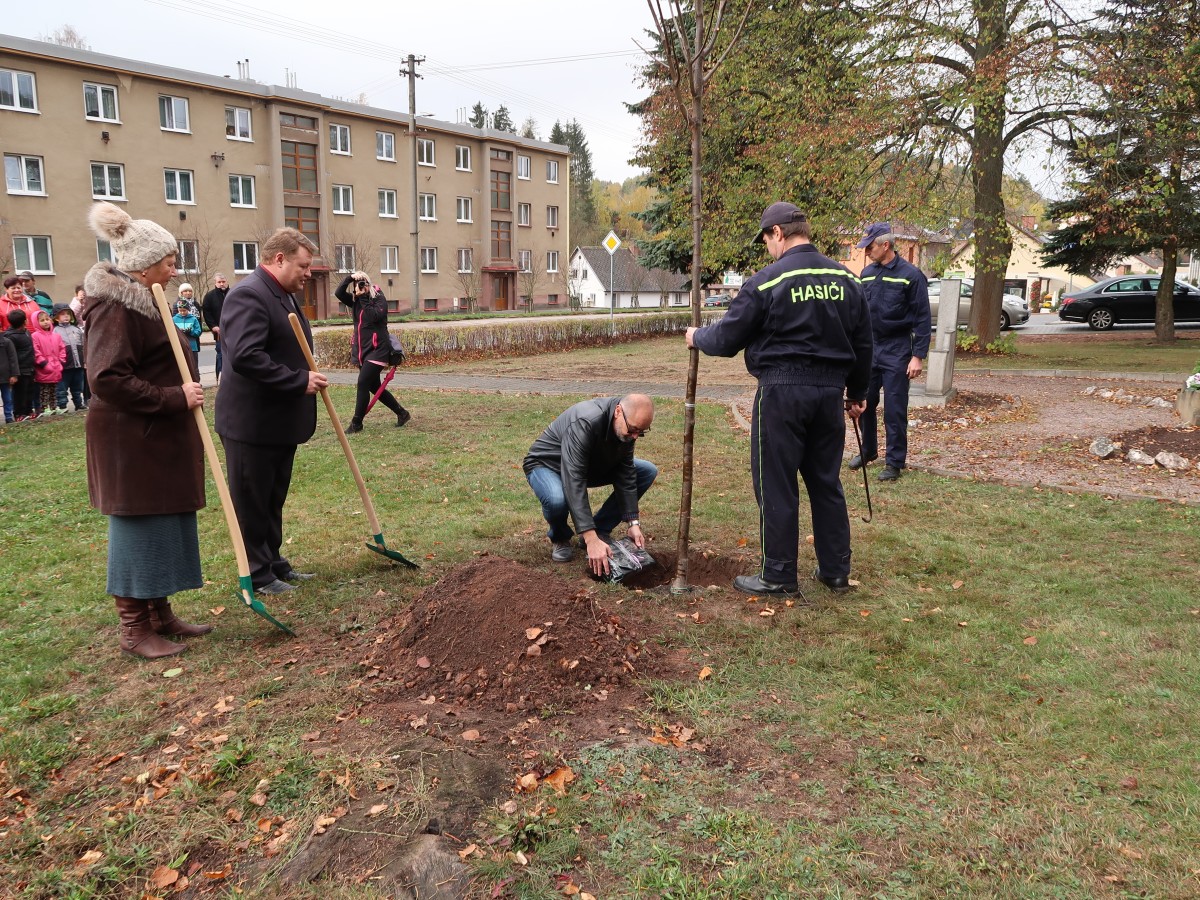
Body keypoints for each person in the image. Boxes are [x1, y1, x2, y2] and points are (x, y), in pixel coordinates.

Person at [686, 201, 873, 596]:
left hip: (781, 393)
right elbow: (863, 344)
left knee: (776, 483)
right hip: (829, 396)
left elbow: (727, 338)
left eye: (766, 240)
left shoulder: (767, 281)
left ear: (777, 233)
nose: (768, 248)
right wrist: (857, 394)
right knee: (826, 482)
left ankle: (779, 574)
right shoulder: (847, 279)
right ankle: (836, 570)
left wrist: (696, 336)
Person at [85, 201, 212, 659]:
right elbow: (107, 378)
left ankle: (160, 615)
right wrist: (174, 397)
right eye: (169, 261)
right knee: (139, 529)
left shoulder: (147, 302)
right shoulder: (116, 308)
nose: (175, 270)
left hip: (155, 438)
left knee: (163, 523)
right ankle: (134, 630)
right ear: (143, 265)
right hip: (131, 442)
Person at [215, 228, 327, 596]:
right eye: (303, 266)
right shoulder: (248, 294)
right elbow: (245, 356)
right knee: (252, 500)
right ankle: (257, 574)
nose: (308, 273)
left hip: (278, 422)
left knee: (271, 498)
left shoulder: (282, 293)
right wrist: (298, 380)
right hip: (252, 423)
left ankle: (273, 561)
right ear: (279, 259)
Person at [523, 394, 657, 577]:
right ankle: (561, 537)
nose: (635, 436)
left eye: (640, 432)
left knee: (646, 471)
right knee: (556, 499)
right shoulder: (585, 421)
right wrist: (590, 538)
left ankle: (600, 529)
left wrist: (633, 522)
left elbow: (625, 471)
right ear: (618, 411)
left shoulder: (626, 426)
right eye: (633, 429)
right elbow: (574, 479)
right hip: (547, 465)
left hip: (589, 464)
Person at [849, 222, 932, 481]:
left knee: (894, 408)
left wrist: (917, 356)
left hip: (897, 349)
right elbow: (859, 313)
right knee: (865, 402)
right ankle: (868, 450)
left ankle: (894, 461)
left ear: (886, 245)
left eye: (870, 247)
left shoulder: (911, 275)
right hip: (870, 348)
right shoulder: (866, 274)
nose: (867, 252)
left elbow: (922, 318)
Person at [335, 271, 410, 433]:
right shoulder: (355, 301)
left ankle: (357, 423)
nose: (361, 286)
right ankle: (402, 413)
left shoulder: (379, 299)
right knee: (374, 387)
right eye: (358, 284)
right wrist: (349, 278)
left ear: (369, 284)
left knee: (363, 382)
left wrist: (363, 297)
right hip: (363, 351)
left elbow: (373, 316)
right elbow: (338, 293)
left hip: (378, 349)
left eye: (363, 283)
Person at [31, 310, 65, 417]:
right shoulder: (35, 336)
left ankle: (54, 406)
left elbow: (62, 348)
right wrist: (44, 363)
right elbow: (36, 351)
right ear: (36, 322)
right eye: (42, 320)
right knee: (44, 390)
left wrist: (61, 361)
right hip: (44, 368)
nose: (45, 322)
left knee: (54, 389)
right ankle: (44, 408)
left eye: (47, 319)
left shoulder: (56, 336)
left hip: (56, 367)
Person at [53, 304, 87, 412]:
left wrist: (84, 361)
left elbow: (83, 345)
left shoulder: (76, 330)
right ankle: (62, 406)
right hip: (64, 366)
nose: (66, 316)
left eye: (68, 314)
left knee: (78, 387)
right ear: (56, 317)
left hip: (78, 364)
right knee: (62, 388)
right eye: (62, 314)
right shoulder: (55, 331)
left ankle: (79, 404)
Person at [4, 309, 36, 420]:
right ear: (25, 321)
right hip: (20, 369)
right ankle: (19, 413)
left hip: (30, 367)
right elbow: (11, 355)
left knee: (29, 391)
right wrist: (14, 372)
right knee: (20, 393)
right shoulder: (10, 336)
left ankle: (29, 411)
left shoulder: (27, 332)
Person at [201, 273, 229, 383]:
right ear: (215, 283)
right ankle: (220, 377)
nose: (221, 284)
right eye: (219, 282)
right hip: (219, 332)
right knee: (221, 354)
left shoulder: (233, 293)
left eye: (223, 282)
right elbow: (207, 313)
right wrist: (213, 326)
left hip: (233, 331)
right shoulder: (209, 296)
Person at [0, 325, 17, 423]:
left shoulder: (7, 342)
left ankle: (8, 416)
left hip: (5, 376)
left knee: (8, 398)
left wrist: (14, 374)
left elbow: (13, 359)